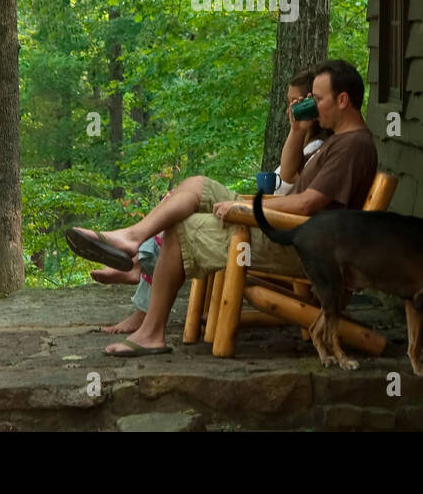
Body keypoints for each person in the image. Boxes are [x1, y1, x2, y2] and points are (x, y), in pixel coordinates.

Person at [68, 59, 377, 356]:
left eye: (318, 98)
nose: (312, 104)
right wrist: (297, 129)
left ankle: (151, 333)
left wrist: (244, 207)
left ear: (343, 100)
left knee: (183, 228)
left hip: (300, 247)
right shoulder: (340, 140)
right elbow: (290, 173)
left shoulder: (352, 146)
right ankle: (132, 237)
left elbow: (308, 203)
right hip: (291, 231)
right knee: (198, 184)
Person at [91, 69, 330, 335]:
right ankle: (137, 256)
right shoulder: (306, 141)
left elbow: (294, 194)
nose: (292, 108)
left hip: (274, 229)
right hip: (269, 219)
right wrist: (296, 130)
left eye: (299, 102)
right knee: (186, 192)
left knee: (180, 219)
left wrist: (244, 208)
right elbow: (288, 179)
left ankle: (139, 264)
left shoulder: (322, 147)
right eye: (290, 102)